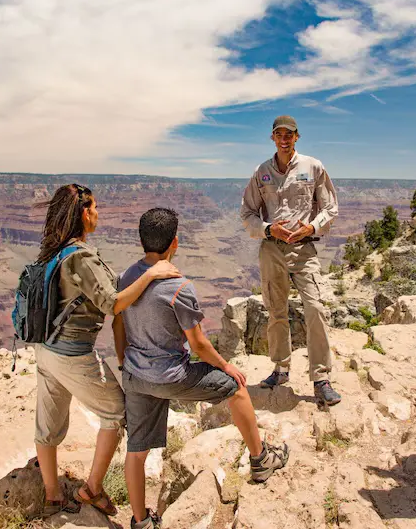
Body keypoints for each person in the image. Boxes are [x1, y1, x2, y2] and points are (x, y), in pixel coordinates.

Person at [116, 208, 290, 529]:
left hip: (136, 377)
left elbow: (120, 323)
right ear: (175, 243)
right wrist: (226, 366)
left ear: (142, 241)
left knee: (137, 451)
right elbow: (198, 346)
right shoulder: (179, 286)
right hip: (171, 377)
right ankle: (261, 459)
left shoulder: (127, 278)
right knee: (236, 387)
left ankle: (140, 521)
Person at [32, 184, 181, 518]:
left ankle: (53, 497)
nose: (98, 213)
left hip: (45, 350)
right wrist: (153, 273)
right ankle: (92, 488)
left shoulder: (51, 251)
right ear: (85, 214)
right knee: (116, 412)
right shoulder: (81, 256)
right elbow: (112, 303)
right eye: (95, 207)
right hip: (72, 354)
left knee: (48, 425)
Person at [240, 115, 342, 406]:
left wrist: (312, 227)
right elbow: (248, 212)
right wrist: (268, 228)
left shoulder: (313, 167)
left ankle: (321, 378)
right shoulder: (261, 172)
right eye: (279, 134)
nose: (284, 139)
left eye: (289, 134)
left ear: (297, 137)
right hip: (272, 248)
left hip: (303, 249)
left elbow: (330, 206)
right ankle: (280, 368)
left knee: (316, 307)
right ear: (272, 137)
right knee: (276, 310)